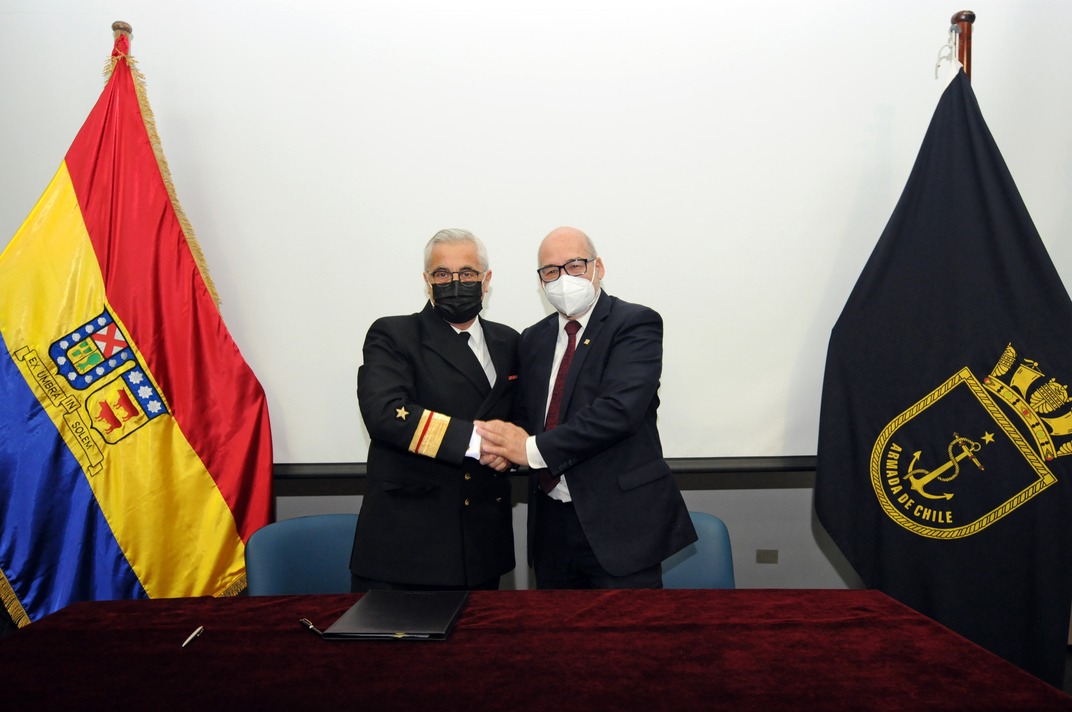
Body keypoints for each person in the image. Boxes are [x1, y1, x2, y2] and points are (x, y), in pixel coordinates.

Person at [477, 226, 696, 589]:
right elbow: (527, 416)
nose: (563, 278)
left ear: (599, 267)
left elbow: (618, 412)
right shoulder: (533, 338)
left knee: (626, 626)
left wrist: (528, 449)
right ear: (541, 281)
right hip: (551, 527)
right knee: (555, 627)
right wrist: (504, 448)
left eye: (575, 265)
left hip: (620, 524)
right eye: (551, 271)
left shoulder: (635, 323)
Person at [349, 228, 519, 591]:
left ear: (486, 279)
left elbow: (522, 417)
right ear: (427, 281)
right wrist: (482, 443)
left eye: (467, 273)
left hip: (483, 545)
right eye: (442, 274)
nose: (455, 283)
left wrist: (513, 454)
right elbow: (385, 414)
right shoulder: (394, 334)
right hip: (408, 547)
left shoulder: (510, 341)